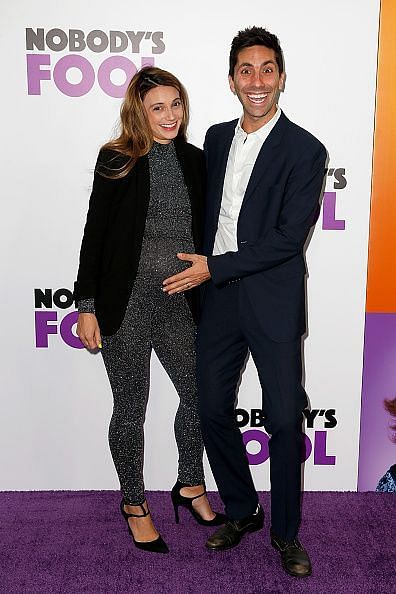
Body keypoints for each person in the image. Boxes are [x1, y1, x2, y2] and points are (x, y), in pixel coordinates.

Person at [163, 27, 326, 576]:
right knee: (210, 407)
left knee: (282, 418)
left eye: (266, 69)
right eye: (245, 71)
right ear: (232, 80)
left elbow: (288, 238)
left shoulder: (306, 150)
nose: (256, 81)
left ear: (281, 77)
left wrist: (217, 266)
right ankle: (243, 508)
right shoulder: (213, 138)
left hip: (272, 300)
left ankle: (286, 534)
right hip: (219, 299)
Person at [74, 66, 224, 555]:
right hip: (126, 305)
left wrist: (212, 270)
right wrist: (86, 305)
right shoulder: (117, 160)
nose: (169, 115)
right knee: (131, 406)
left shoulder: (198, 161)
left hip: (180, 303)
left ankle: (189, 483)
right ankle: (134, 503)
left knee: (200, 394)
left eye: (175, 104)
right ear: (138, 111)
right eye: (157, 107)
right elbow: (94, 234)